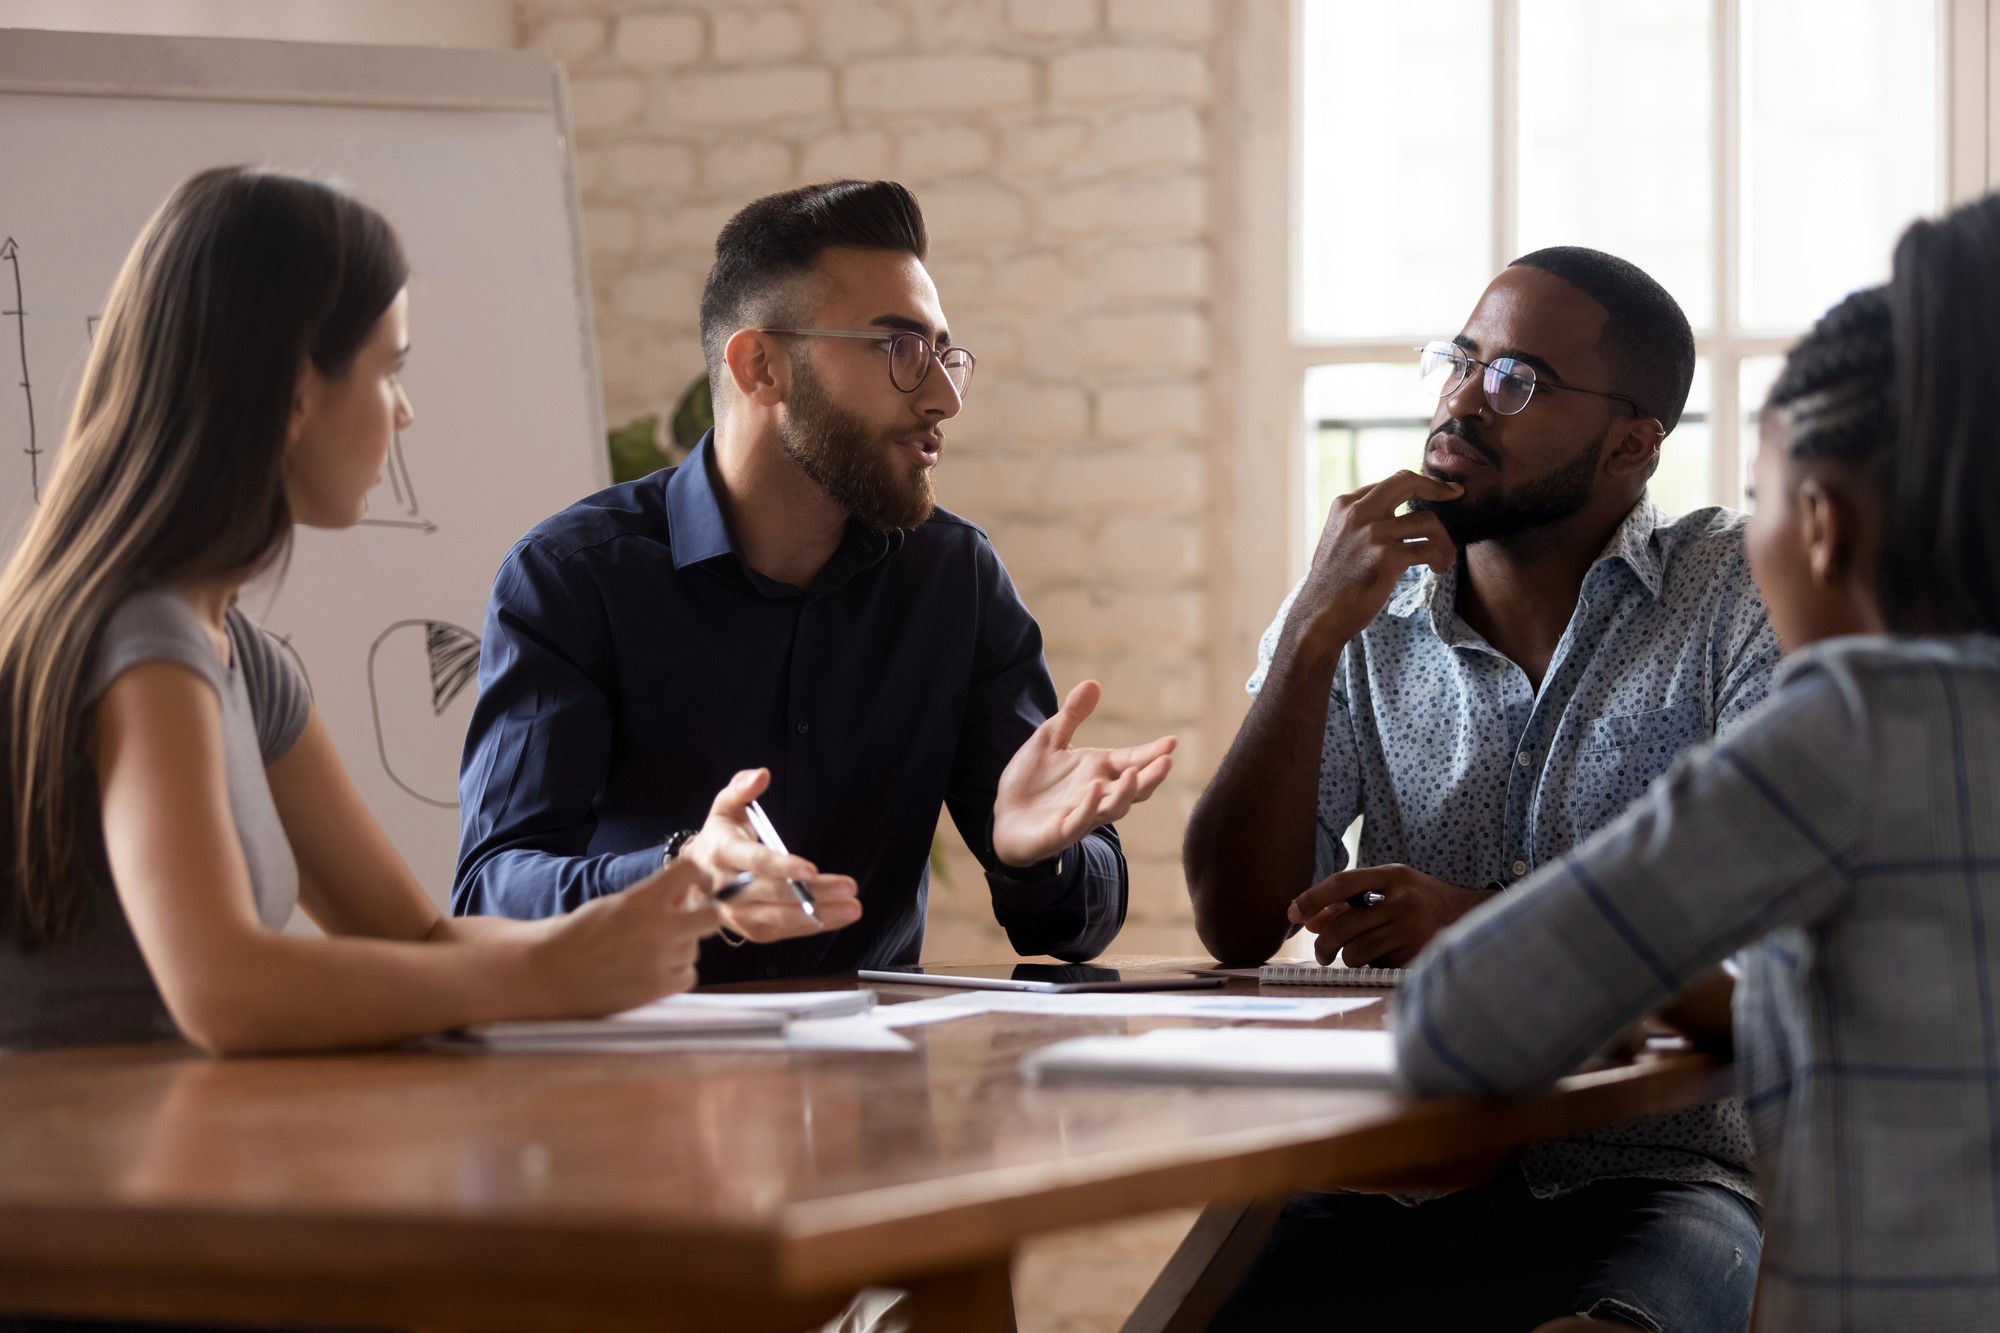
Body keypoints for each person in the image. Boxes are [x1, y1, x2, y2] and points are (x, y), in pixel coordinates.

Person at [0, 166, 804, 1056]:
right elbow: (223, 990)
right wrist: (546, 975)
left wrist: (657, 905)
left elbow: (413, 938)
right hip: (86, 1181)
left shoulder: (239, 658)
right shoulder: (145, 642)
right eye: (389, 370)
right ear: (296, 392)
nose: (406, 410)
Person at [1399, 195, 2000, 1331]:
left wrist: (1608, 975)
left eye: (1761, 495)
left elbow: (1461, 1022)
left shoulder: (1848, 730)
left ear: (1817, 524)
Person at [1189, 248, 1778, 1329]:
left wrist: (1478, 925)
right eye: (1459, 361)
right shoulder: (1359, 606)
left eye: (1515, 380)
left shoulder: (1733, 593)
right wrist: (1313, 632)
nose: (1460, 401)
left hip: (1653, 1178)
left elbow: (1766, 964)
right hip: (1386, 1172)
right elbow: (1233, 920)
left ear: (1631, 444)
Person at [453, 180, 1175, 982]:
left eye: (943, 354)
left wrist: (1038, 857)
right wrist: (682, 872)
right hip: (638, 1082)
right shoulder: (571, 579)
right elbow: (489, 895)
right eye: (899, 349)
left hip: (875, 1090)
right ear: (762, 365)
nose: (942, 396)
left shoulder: (954, 579)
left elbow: (1078, 929)